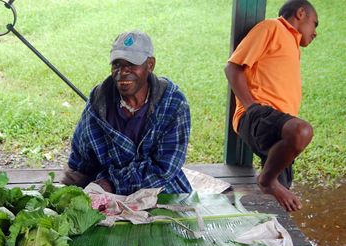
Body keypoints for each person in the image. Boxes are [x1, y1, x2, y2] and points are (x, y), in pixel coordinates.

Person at [62, 30, 192, 195]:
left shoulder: (173, 104)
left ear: (150, 65)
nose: (122, 72)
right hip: (105, 194)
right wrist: (73, 189)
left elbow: (165, 168)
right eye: (117, 65)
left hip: (159, 189)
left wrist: (113, 183)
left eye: (131, 64)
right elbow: (81, 160)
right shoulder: (99, 101)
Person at [224, 0, 318, 212]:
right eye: (315, 24)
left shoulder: (292, 44)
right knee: (302, 131)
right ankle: (266, 180)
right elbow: (232, 68)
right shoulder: (272, 28)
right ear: (301, 13)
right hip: (260, 116)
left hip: (278, 123)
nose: (315, 33)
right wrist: (252, 108)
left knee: (281, 209)